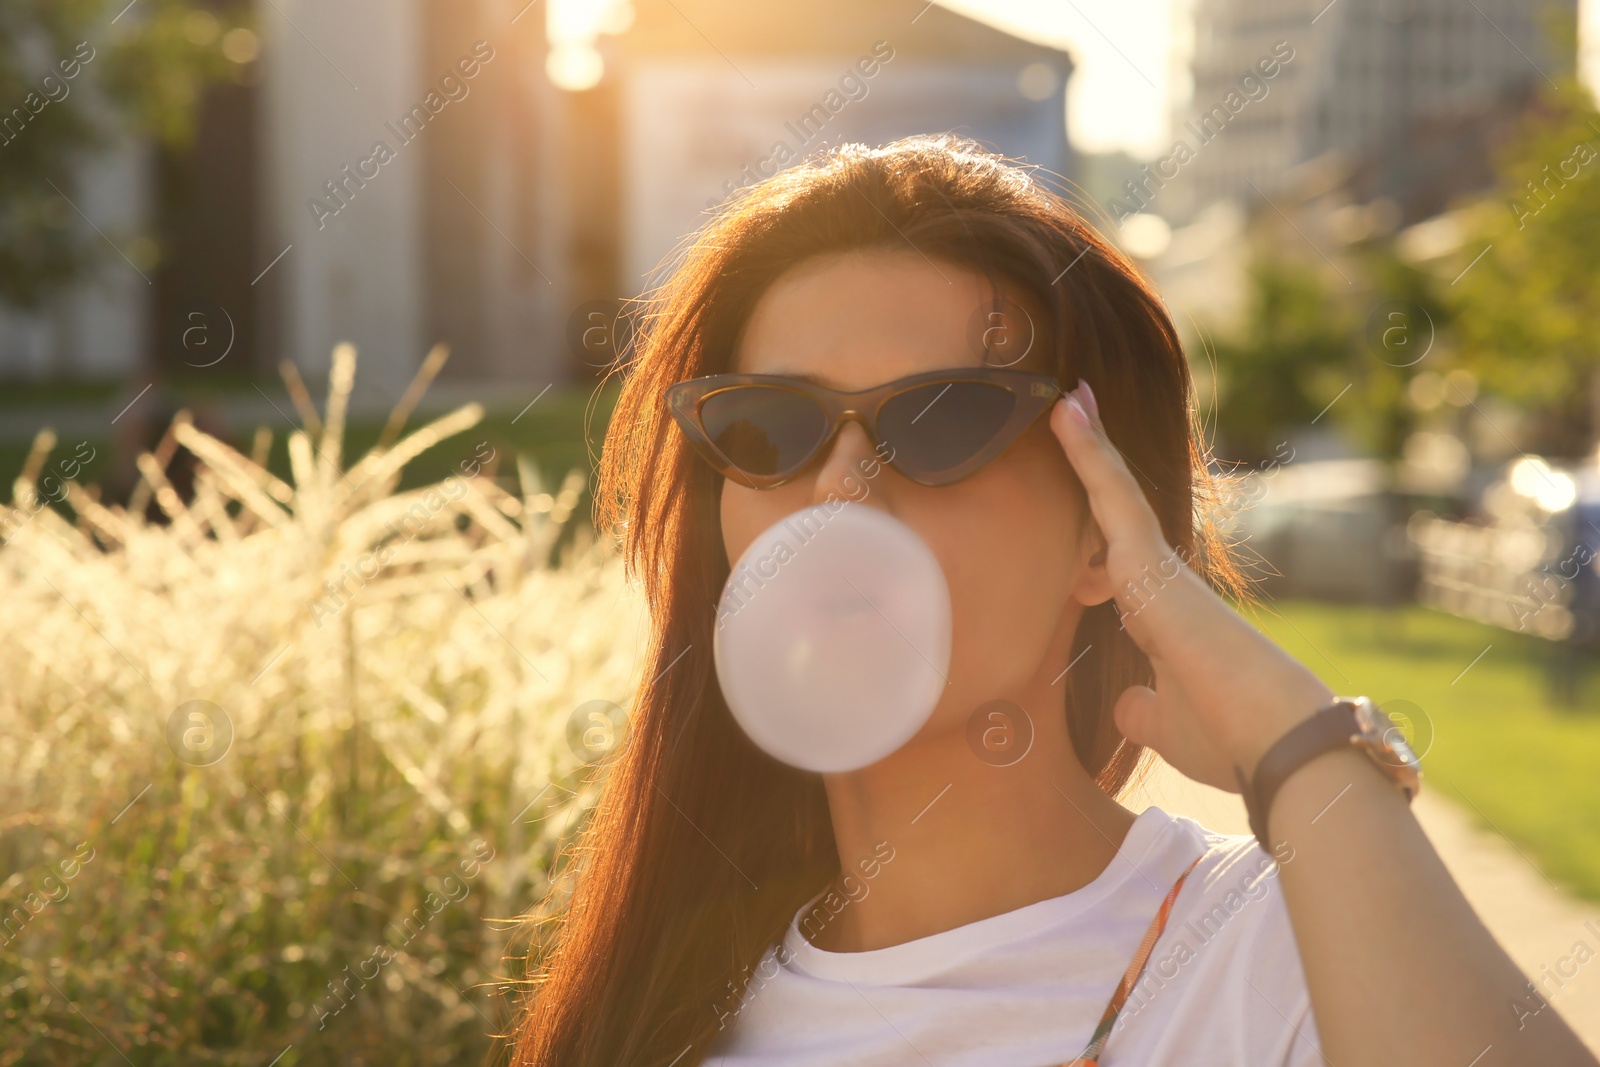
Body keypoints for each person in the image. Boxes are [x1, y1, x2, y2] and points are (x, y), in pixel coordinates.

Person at [506, 134, 1597, 1066]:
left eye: (940, 420)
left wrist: (1298, 749)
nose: (841, 486)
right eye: (768, 425)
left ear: (1100, 533)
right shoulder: (661, 1007)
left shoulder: (1281, 950)